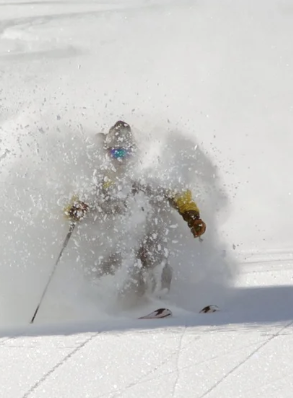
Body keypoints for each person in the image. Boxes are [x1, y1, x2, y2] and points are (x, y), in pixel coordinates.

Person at [65, 121, 207, 298]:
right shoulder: (98, 174)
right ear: (107, 152)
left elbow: (176, 191)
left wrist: (192, 216)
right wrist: (75, 209)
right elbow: (77, 196)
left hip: (142, 226)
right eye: (117, 152)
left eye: (127, 152)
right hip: (107, 232)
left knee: (155, 251)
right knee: (110, 259)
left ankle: (159, 298)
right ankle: (107, 302)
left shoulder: (146, 169)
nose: (121, 159)